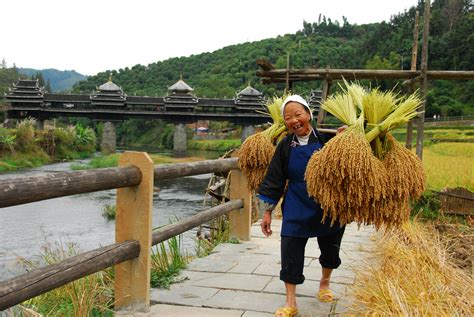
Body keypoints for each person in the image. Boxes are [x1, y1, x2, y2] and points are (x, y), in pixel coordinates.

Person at [258, 95, 345, 317]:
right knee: (290, 249)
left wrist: (348, 138)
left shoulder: (328, 138)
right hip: (297, 200)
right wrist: (267, 211)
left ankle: (324, 284)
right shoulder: (285, 146)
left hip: (328, 203)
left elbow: (351, 162)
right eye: (288, 118)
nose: (294, 121)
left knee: (330, 247)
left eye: (298, 115)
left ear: (309, 115)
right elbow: (274, 178)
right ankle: (291, 301)